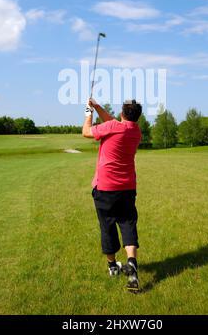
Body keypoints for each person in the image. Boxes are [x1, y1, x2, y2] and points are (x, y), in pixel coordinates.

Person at [82, 98, 142, 292]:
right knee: (127, 223)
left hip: (105, 188)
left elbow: (86, 132)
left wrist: (88, 112)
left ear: (123, 113)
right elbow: (113, 122)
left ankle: (112, 267)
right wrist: (98, 106)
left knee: (107, 226)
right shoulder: (135, 131)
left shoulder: (114, 127)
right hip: (127, 188)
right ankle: (131, 263)